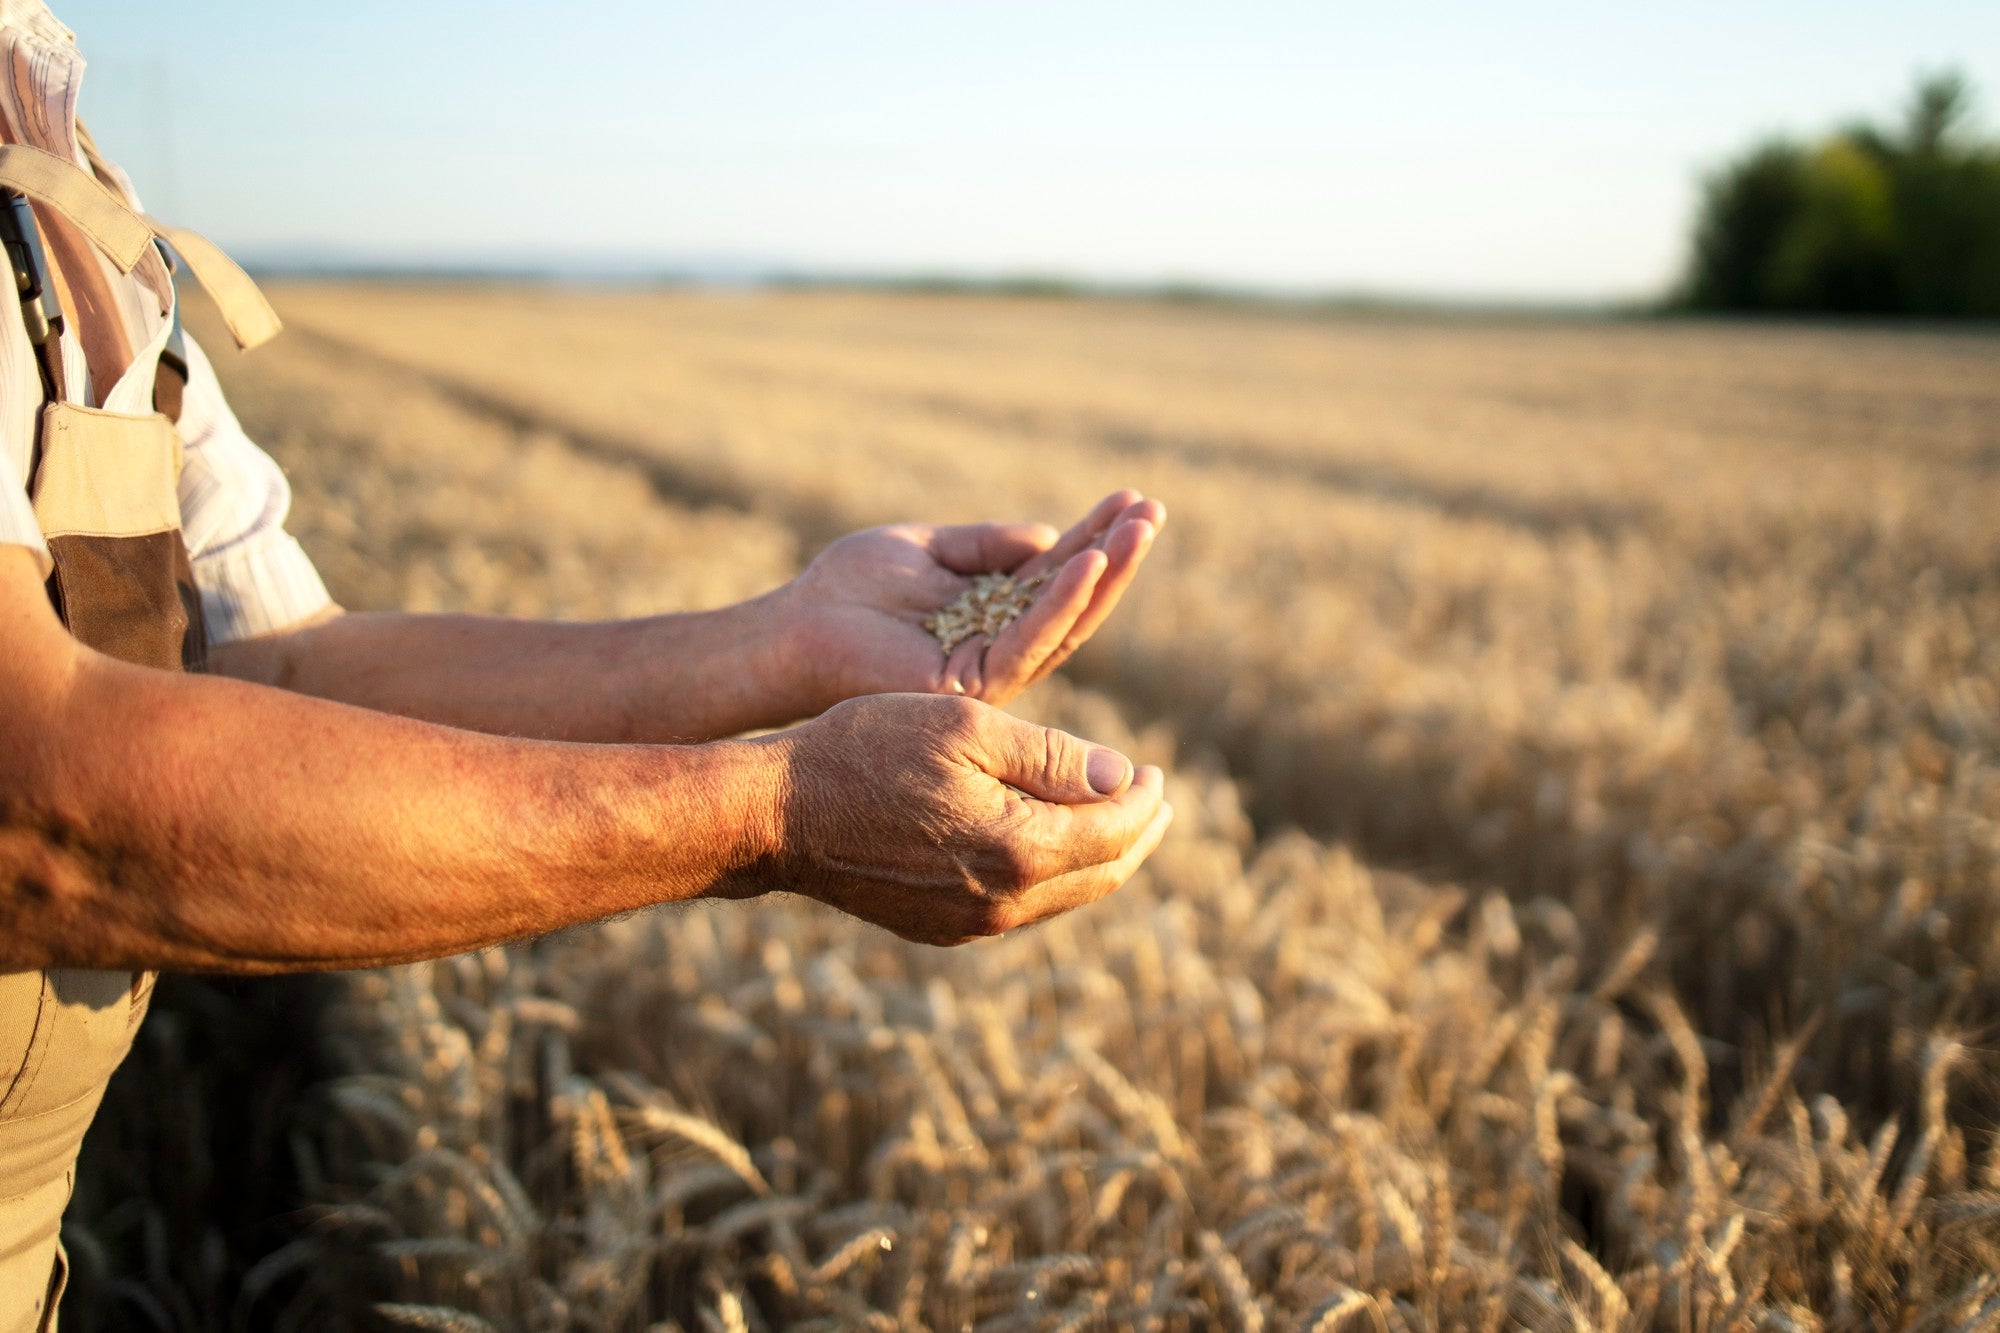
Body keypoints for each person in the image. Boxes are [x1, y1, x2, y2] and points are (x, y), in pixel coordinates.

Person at [0, 4, 1170, 1326]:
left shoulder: (57, 163)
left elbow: (270, 671)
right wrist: (777, 811)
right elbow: (36, 803)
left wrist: (781, 640)